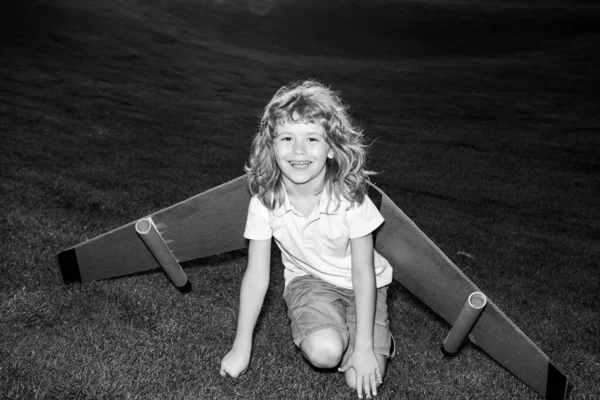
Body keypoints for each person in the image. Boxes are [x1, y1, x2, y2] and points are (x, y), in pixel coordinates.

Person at [219, 80, 394, 399]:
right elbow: (257, 276)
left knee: (360, 380)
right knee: (326, 352)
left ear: (330, 148)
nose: (299, 151)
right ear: (272, 145)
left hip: (364, 285)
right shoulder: (265, 200)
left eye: (312, 139)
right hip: (309, 281)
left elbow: (363, 273)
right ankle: (333, 327)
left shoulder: (350, 198)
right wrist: (240, 346)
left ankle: (368, 334)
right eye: (287, 138)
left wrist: (365, 347)